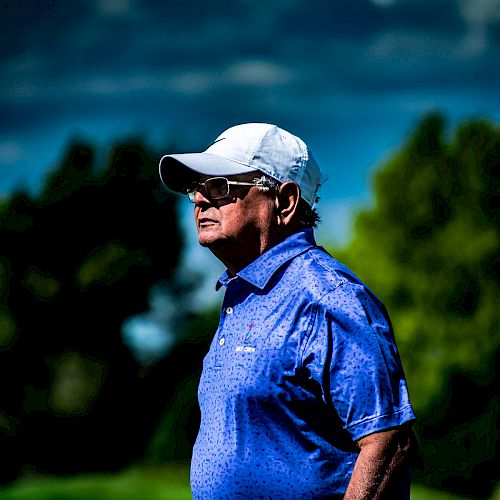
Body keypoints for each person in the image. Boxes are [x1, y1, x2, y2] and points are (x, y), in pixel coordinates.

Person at [159, 123, 417, 499]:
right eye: (196, 189)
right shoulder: (244, 293)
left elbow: (389, 442)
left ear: (285, 202)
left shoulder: (329, 297)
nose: (199, 200)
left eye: (219, 186)